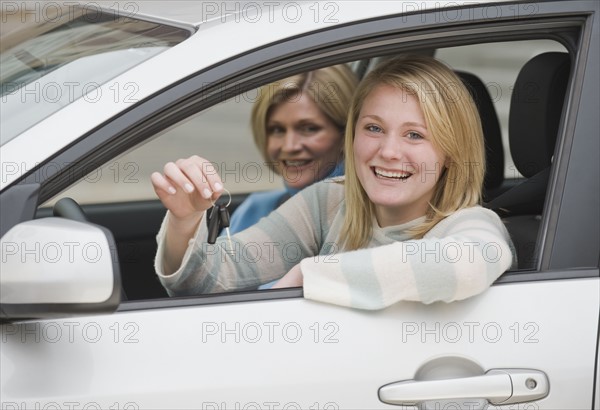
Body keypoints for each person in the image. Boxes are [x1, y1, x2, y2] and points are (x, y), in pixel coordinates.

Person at [151, 55, 516, 310]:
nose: (388, 151)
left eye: (415, 135)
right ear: (352, 136)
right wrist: (185, 220)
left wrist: (305, 276)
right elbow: (206, 280)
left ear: (451, 151)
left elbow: (466, 265)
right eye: (374, 128)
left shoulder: (469, 223)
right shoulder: (329, 202)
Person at [228, 65, 358, 234]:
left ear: (346, 134)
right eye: (277, 130)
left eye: (309, 128)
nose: (290, 146)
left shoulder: (368, 218)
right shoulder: (253, 210)